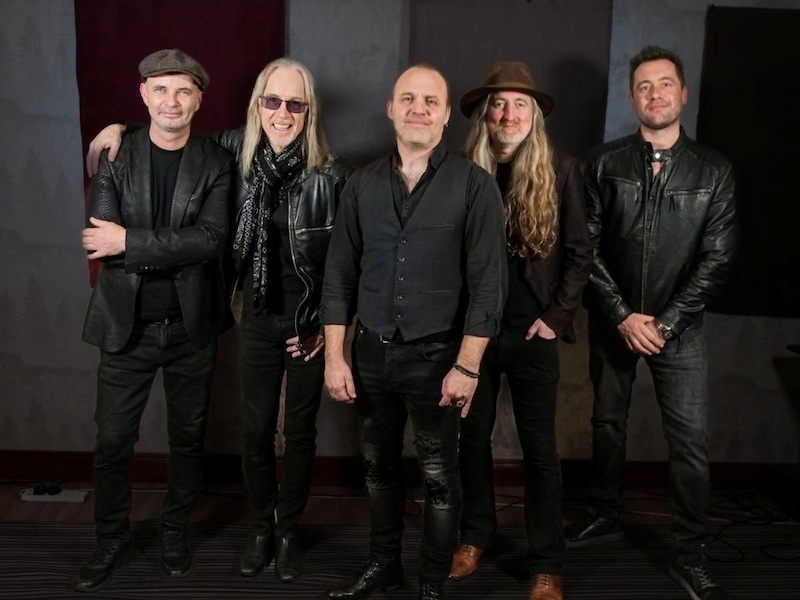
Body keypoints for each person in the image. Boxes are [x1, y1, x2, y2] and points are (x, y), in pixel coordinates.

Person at [85, 57, 352, 583]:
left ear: (309, 111)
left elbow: (344, 262)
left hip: (305, 323)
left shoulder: (332, 175)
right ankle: (259, 529)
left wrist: (329, 328)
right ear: (257, 106)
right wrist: (120, 128)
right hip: (252, 316)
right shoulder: (235, 152)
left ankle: (286, 532)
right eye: (271, 101)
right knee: (254, 432)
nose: (282, 113)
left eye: (295, 104)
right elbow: (171, 126)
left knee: (297, 433)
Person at [320, 64, 507, 600]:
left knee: (440, 476)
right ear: (391, 109)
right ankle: (385, 566)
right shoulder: (361, 184)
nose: (418, 108)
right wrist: (335, 356)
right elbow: (339, 275)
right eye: (407, 98)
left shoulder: (474, 185)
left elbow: (489, 286)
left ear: (446, 116)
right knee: (377, 469)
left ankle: (430, 582)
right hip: (371, 355)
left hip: (440, 358)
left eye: (430, 101)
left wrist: (467, 366)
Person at [563, 46, 736, 600]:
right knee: (606, 423)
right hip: (614, 321)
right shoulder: (602, 163)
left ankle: (690, 555)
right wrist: (621, 315)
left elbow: (716, 260)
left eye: (664, 84)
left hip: (678, 331)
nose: (655, 94)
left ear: (682, 92)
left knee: (689, 442)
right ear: (632, 97)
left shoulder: (714, 170)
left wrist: (664, 324)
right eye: (644, 86)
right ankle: (604, 514)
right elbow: (585, 247)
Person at [76, 48, 235, 592]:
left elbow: (211, 240)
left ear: (198, 101)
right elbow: (101, 242)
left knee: (187, 441)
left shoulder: (216, 161)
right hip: (127, 327)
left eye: (183, 90)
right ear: (143, 94)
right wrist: (152, 244)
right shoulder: (116, 154)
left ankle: (174, 533)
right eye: (161, 89)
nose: (172, 100)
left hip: (192, 328)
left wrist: (131, 241)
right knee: (112, 442)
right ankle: (110, 539)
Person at [452, 61, 592, 600]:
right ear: (484, 115)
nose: (508, 113)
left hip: (533, 333)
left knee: (540, 453)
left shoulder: (562, 169)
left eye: (520, 104)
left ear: (533, 115)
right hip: (474, 335)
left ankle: (546, 564)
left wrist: (555, 319)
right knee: (471, 443)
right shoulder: (461, 170)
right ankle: (474, 537)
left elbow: (580, 253)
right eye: (499, 104)